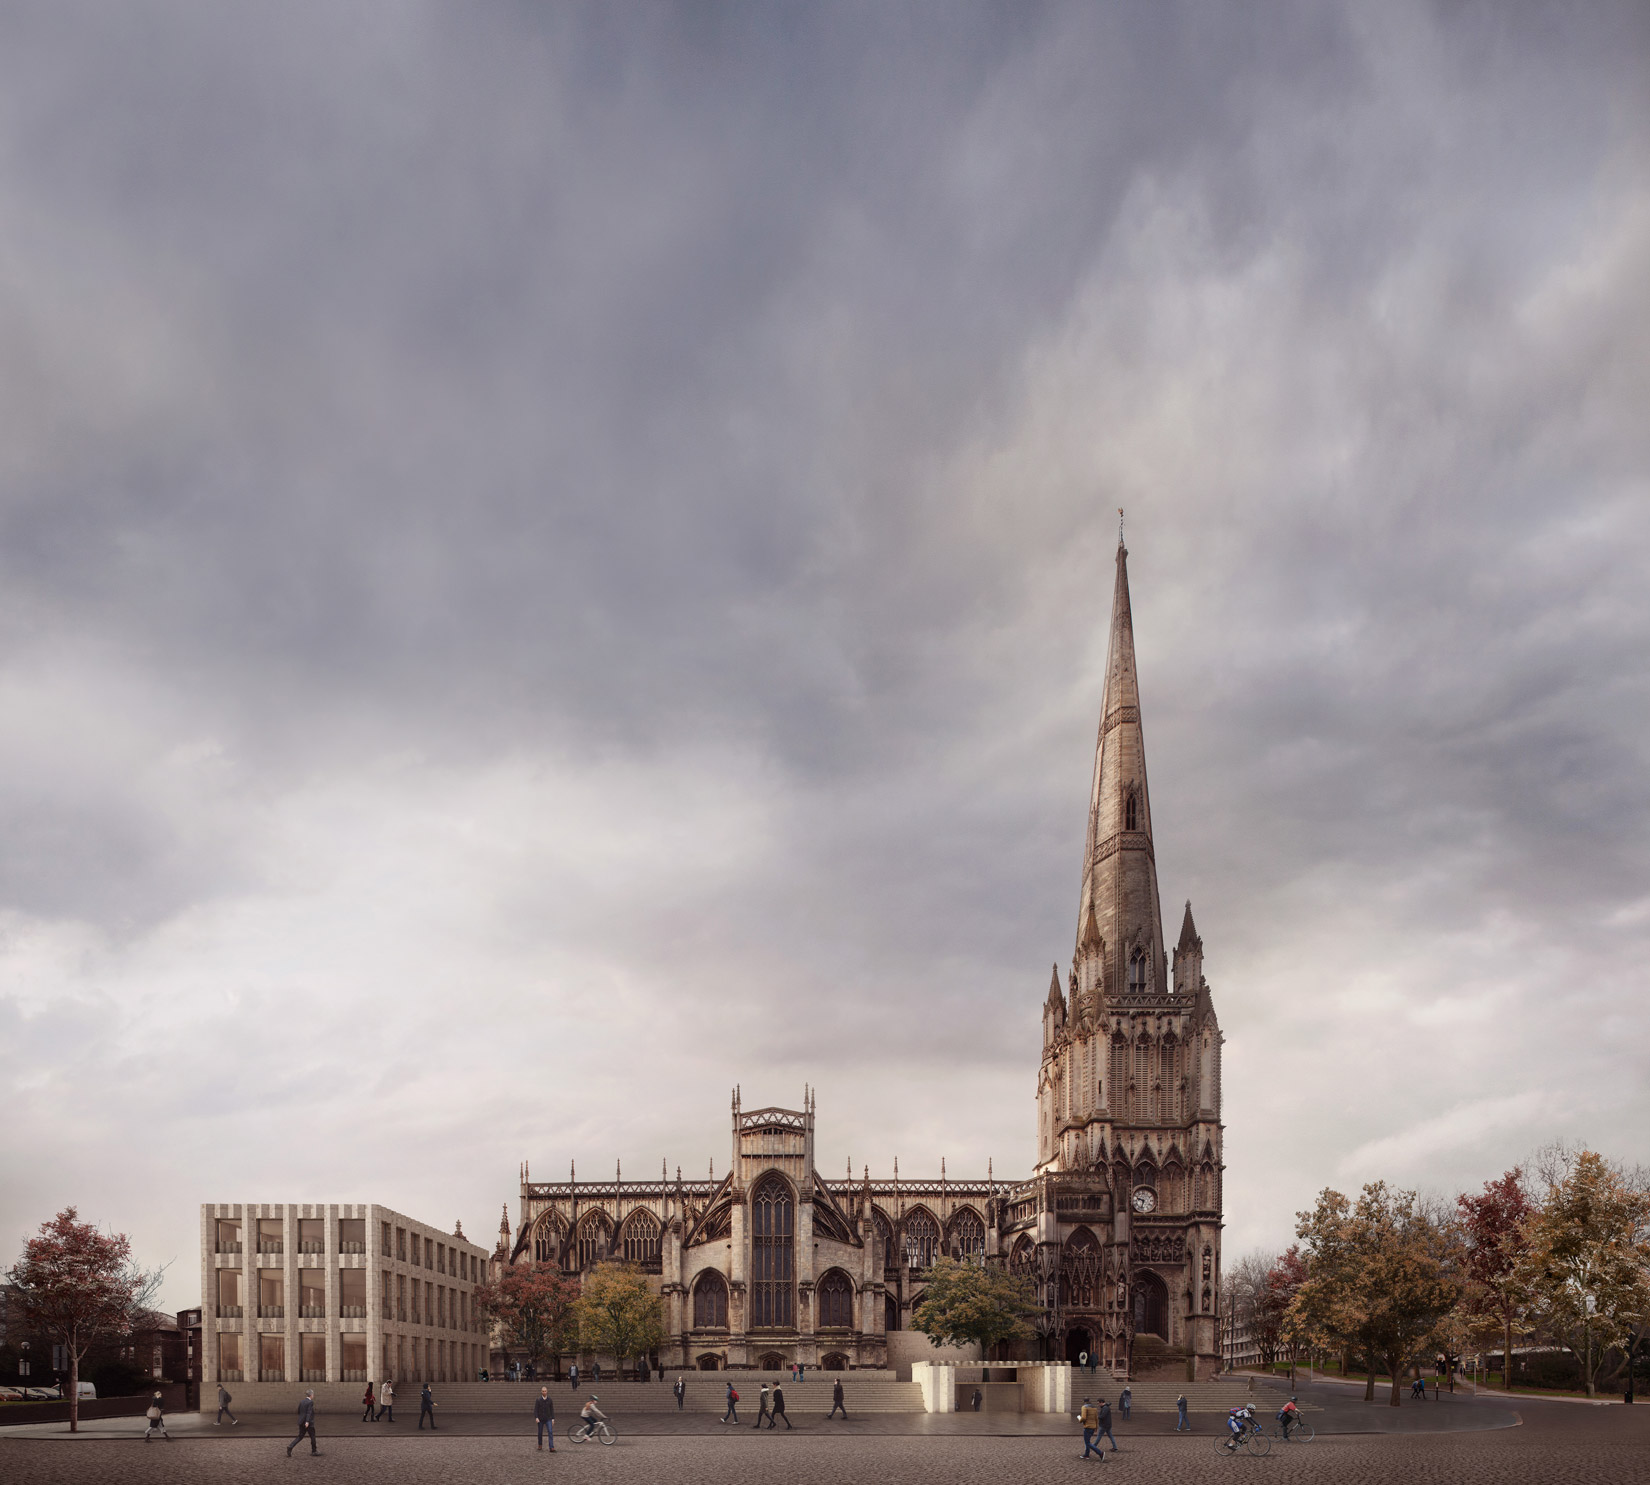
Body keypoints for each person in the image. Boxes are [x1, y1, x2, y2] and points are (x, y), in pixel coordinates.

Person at [286, 1390, 318, 1457]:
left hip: (301, 1421)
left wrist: (302, 1419)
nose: (313, 1395)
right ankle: (314, 1451)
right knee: (312, 1436)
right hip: (308, 1423)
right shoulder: (310, 1402)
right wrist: (307, 1421)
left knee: (300, 1436)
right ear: (311, 1395)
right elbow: (309, 1412)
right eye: (313, 1394)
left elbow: (299, 1411)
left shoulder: (302, 1401)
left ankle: (290, 1446)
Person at [534, 1386, 556, 1450]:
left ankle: (551, 1446)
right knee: (540, 1432)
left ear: (547, 1391)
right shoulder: (538, 1400)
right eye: (543, 1391)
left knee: (550, 1431)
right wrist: (536, 1417)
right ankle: (540, 1444)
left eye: (545, 1391)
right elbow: (536, 1409)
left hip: (548, 1418)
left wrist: (553, 1419)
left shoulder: (550, 1399)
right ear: (541, 1392)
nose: (544, 1392)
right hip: (540, 1419)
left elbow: (552, 1409)